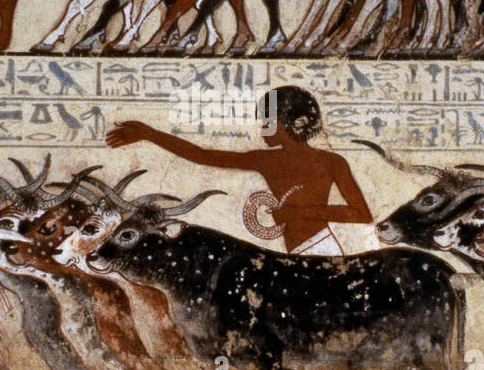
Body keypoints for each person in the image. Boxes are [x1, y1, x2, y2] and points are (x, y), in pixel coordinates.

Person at [106, 86, 372, 255]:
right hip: (297, 251)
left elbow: (362, 214)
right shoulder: (266, 160)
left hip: (320, 247)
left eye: (268, 122)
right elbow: (202, 156)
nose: (262, 129)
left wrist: (298, 213)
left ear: (296, 123)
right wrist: (150, 134)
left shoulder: (332, 162)